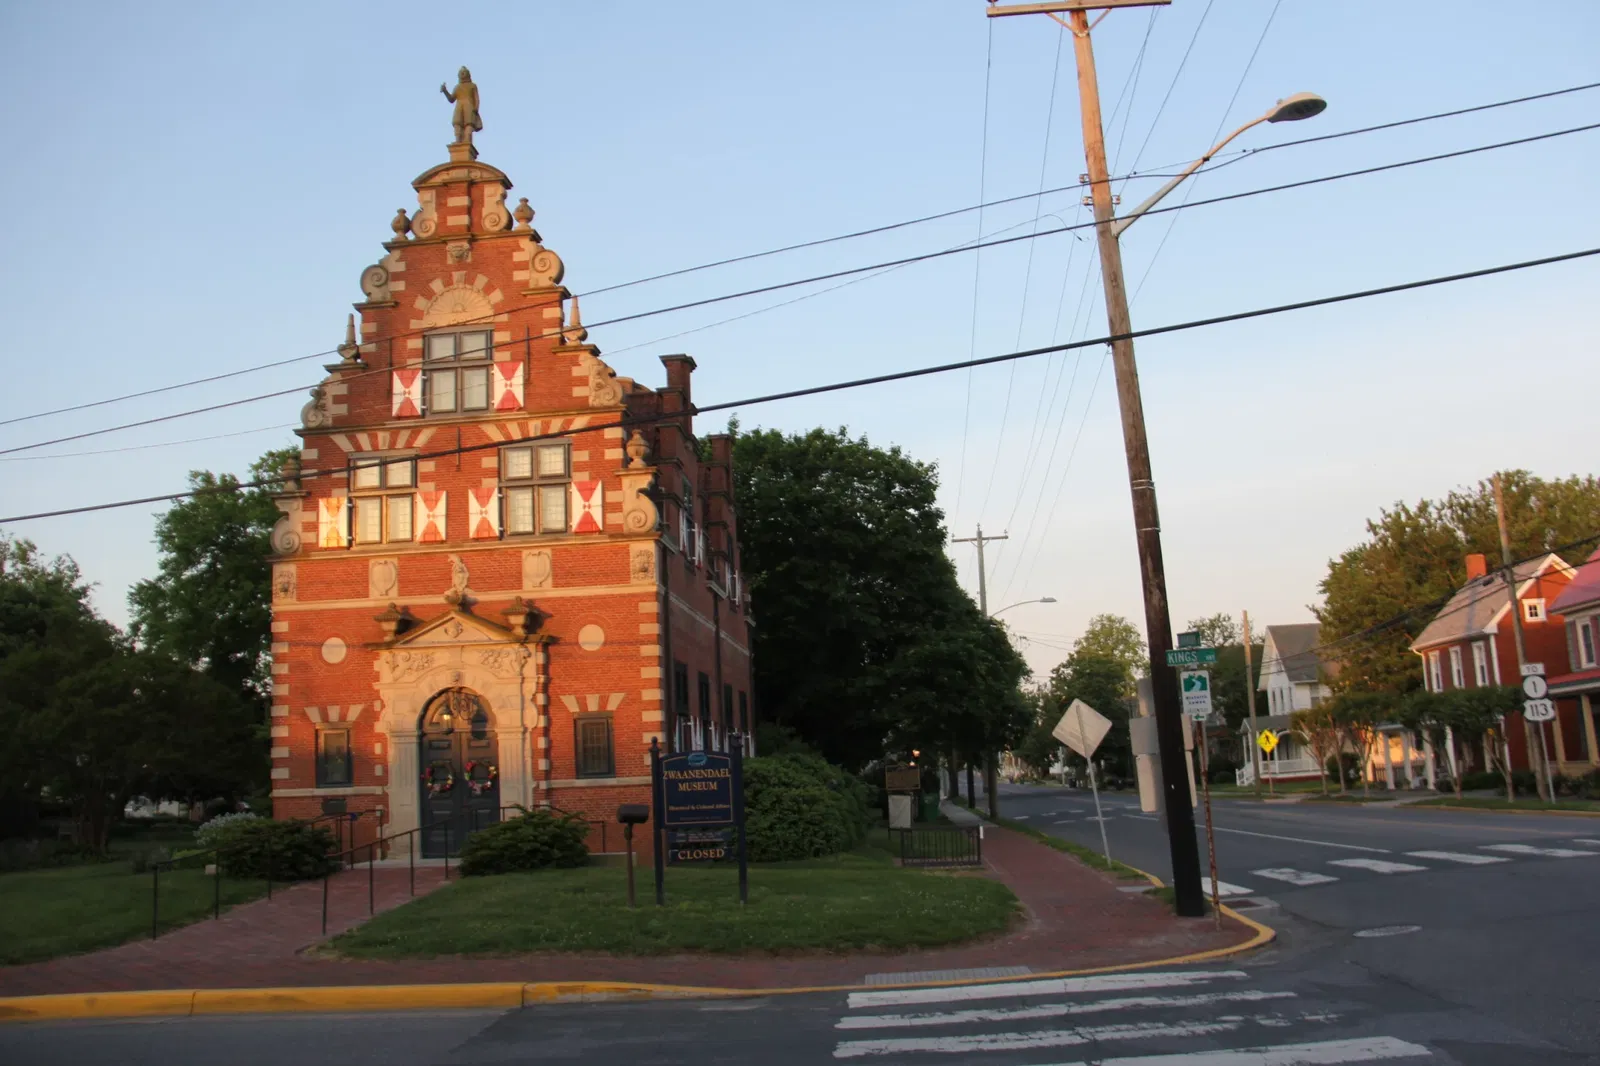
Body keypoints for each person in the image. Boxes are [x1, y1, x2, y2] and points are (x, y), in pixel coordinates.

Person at [440, 67, 482, 146]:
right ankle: (458, 140)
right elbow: (451, 99)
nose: (462, 74)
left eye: (464, 72)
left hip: (469, 106)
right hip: (459, 106)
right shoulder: (457, 87)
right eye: (461, 72)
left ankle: (467, 140)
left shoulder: (472, 86)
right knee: (457, 123)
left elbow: (476, 99)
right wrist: (445, 91)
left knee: (469, 123)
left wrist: (476, 108)